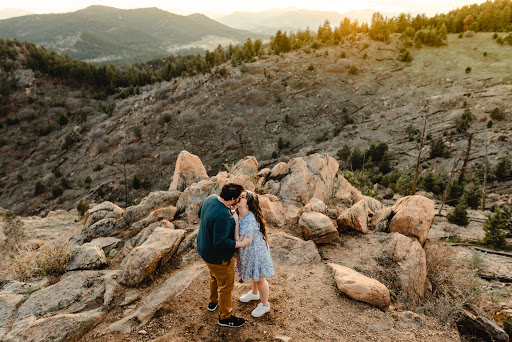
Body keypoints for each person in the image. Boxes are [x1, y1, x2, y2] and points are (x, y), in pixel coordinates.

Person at [197, 183, 253, 328]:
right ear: (233, 198)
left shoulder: (210, 198)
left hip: (204, 249)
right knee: (226, 286)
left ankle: (213, 302)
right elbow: (220, 242)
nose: (240, 199)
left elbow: (200, 214)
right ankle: (225, 317)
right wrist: (242, 243)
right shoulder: (223, 215)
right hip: (218, 257)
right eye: (239, 197)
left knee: (214, 276)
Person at [234, 190, 274, 318]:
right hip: (250, 252)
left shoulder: (250, 219)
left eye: (243, 197)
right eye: (240, 196)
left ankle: (265, 304)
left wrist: (234, 221)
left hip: (257, 252)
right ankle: (254, 293)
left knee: (260, 278)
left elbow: (240, 241)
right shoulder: (240, 214)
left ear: (248, 204)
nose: (239, 198)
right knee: (253, 273)